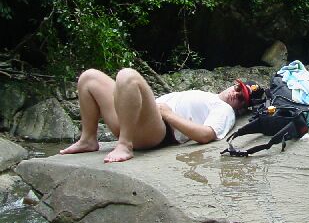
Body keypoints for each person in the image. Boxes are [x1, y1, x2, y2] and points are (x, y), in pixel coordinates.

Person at [59, 68, 263, 163]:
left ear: (242, 108)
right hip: (136, 118)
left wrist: (168, 114)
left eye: (241, 98)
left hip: (158, 130)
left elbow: (206, 134)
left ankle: (125, 144)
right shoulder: (209, 96)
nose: (235, 94)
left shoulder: (225, 110)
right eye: (238, 88)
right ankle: (88, 139)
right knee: (89, 78)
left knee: (128, 76)